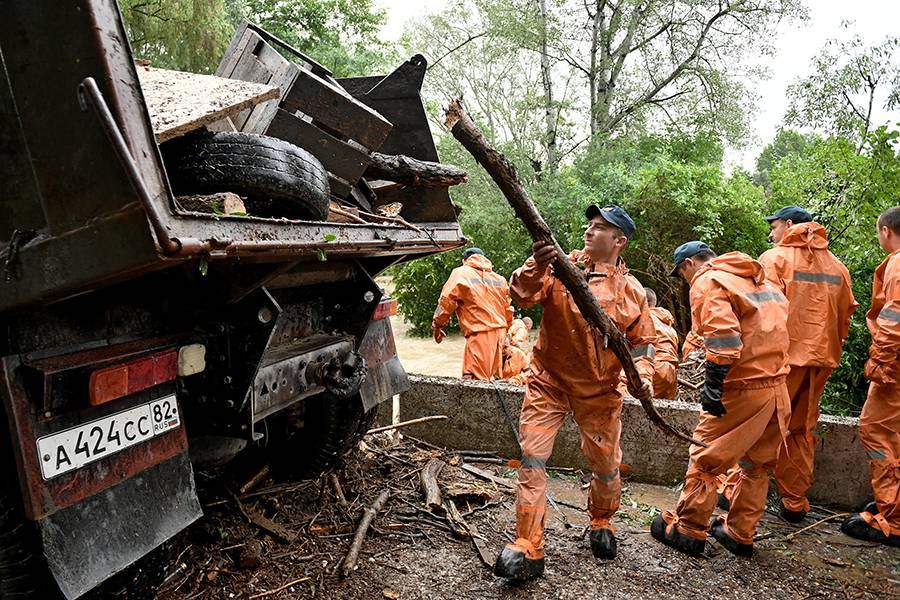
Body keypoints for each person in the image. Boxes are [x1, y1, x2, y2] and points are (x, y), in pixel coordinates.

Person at [494, 205, 655, 580]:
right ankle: (528, 545)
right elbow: (521, 294)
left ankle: (602, 520)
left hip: (599, 392)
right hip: (547, 380)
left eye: (600, 228)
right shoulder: (559, 267)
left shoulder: (631, 291)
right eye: (589, 224)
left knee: (606, 464)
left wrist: (643, 374)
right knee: (533, 457)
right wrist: (536, 264)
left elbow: (643, 343)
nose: (589, 230)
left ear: (619, 242)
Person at [651, 241, 790, 558]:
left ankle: (688, 529)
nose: (685, 279)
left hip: (743, 385)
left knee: (706, 458)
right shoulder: (759, 277)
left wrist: (713, 386)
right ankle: (740, 533)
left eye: (682, 274)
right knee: (757, 465)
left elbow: (724, 337)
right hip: (778, 384)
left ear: (689, 264)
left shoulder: (707, 279)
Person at [718, 206, 857, 523]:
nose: (771, 232)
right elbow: (846, 316)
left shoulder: (774, 259)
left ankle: (733, 493)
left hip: (780, 362)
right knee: (800, 430)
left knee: (760, 427)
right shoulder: (838, 267)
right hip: (820, 363)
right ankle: (794, 501)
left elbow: (763, 315)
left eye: (774, 225)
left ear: (790, 225)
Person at [840, 206, 900, 547]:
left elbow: (893, 319)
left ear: (886, 231)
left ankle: (891, 517)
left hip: (895, 367)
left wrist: (880, 362)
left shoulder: (897, 263)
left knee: (876, 429)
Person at [432, 248, 514, 380]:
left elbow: (446, 302)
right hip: (501, 335)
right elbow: (508, 309)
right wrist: (508, 333)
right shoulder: (499, 279)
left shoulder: (461, 273)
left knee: (473, 382)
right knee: (497, 381)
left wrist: (437, 325)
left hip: (481, 334)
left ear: (464, 261)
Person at [644, 287, 680, 400]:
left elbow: (641, 350)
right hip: (671, 374)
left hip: (654, 369)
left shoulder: (643, 319)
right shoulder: (668, 325)